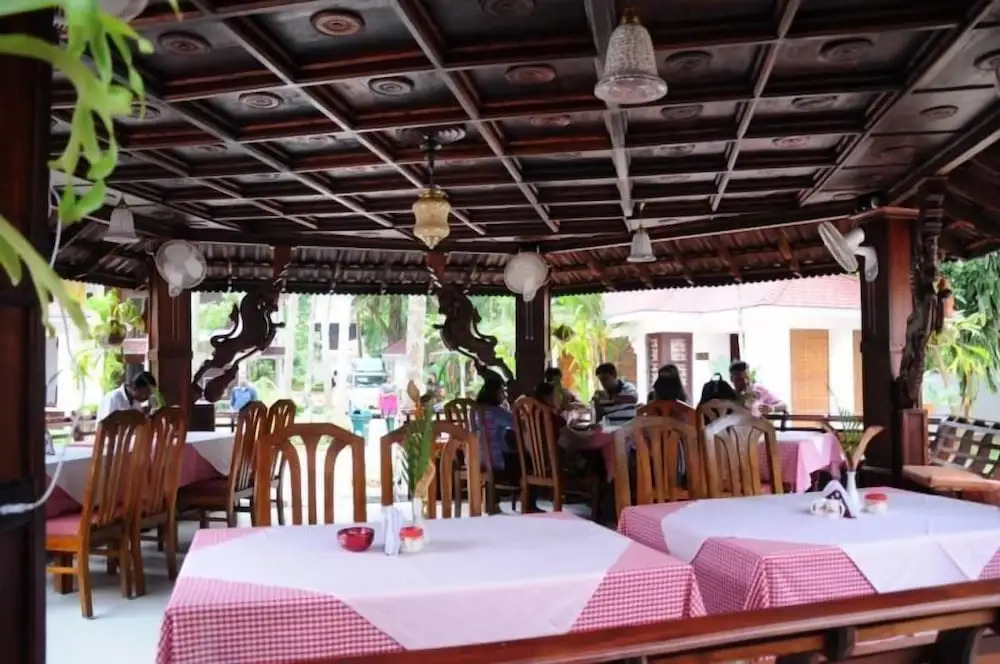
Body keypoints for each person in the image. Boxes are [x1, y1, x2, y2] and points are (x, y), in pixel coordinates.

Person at [475, 378, 514, 471]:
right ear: (495, 394)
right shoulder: (498, 412)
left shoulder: (473, 412)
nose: (505, 395)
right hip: (497, 460)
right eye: (502, 391)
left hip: (474, 459)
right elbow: (518, 425)